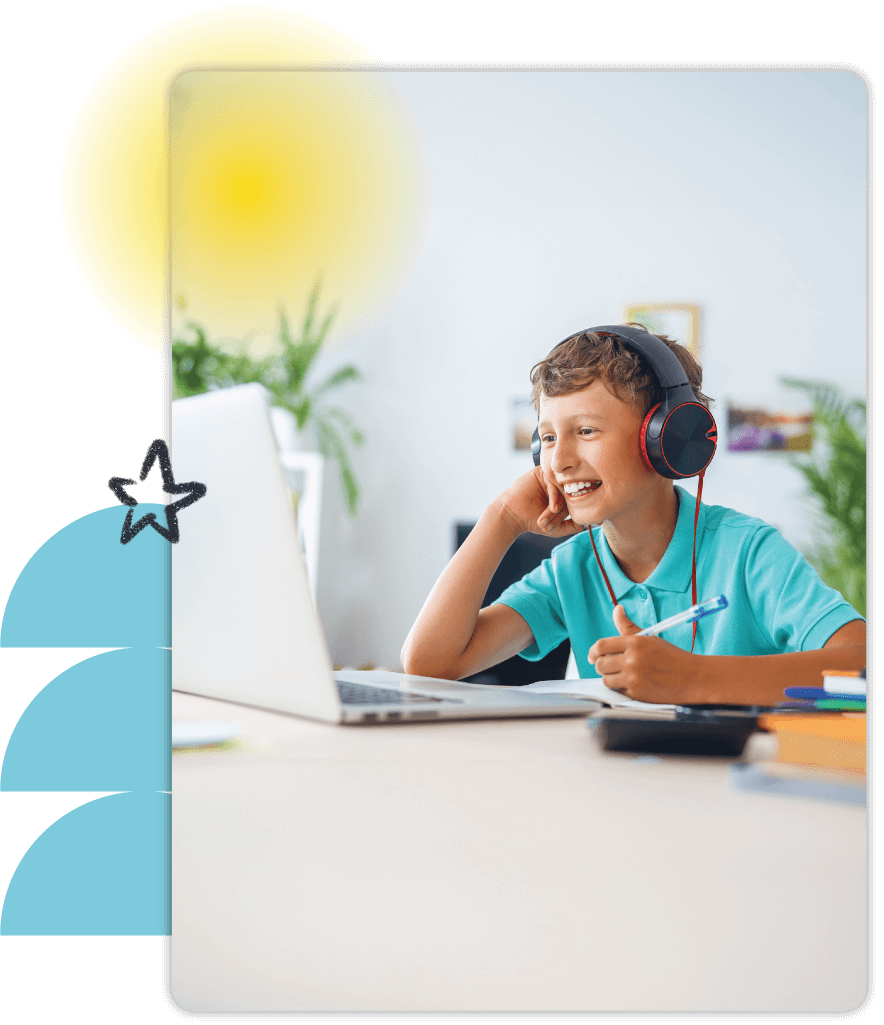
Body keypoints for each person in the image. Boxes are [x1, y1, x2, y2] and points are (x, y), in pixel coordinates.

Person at [400, 325, 865, 706]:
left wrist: (694, 678)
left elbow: (860, 663)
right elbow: (431, 663)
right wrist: (500, 518)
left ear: (664, 439)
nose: (558, 461)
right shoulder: (574, 567)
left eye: (585, 430)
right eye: (546, 438)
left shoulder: (746, 552)